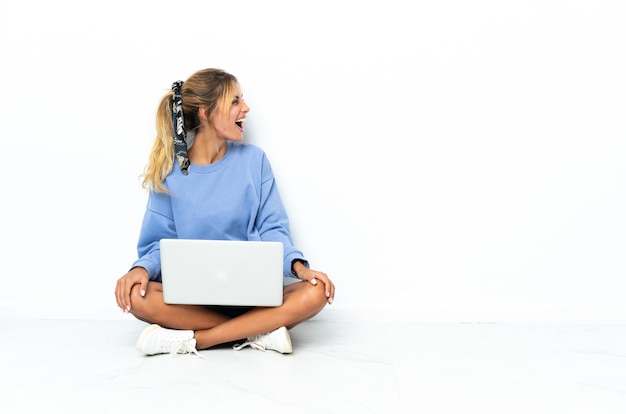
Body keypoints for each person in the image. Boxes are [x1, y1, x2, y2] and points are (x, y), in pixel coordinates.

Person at [115, 68, 335, 356]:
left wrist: (300, 269)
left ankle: (197, 340)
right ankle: (258, 332)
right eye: (235, 101)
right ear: (206, 112)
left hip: (255, 297)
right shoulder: (171, 175)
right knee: (135, 294)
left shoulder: (254, 161)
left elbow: (272, 229)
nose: (245, 108)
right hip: (191, 301)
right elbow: (158, 244)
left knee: (316, 290)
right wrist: (141, 269)